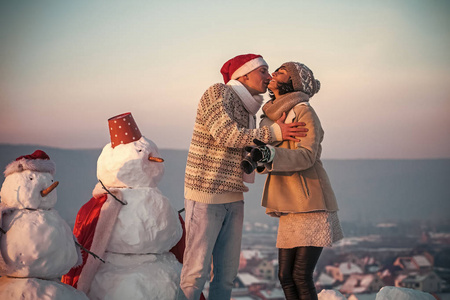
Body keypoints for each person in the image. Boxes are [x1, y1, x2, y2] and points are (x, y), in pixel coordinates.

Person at [178, 54, 308, 300]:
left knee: (226, 276)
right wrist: (272, 132)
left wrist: (272, 134)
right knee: (195, 275)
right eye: (264, 70)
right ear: (244, 74)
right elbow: (227, 134)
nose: (269, 77)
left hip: (234, 197)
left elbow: (248, 147)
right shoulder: (217, 93)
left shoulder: (250, 108)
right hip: (206, 195)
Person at [247, 61, 344, 300]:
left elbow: (308, 155)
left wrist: (270, 154)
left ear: (292, 82)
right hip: (289, 205)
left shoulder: (303, 111)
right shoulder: (270, 116)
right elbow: (265, 154)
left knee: (300, 276)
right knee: (285, 277)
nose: (273, 74)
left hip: (310, 202)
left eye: (280, 72)